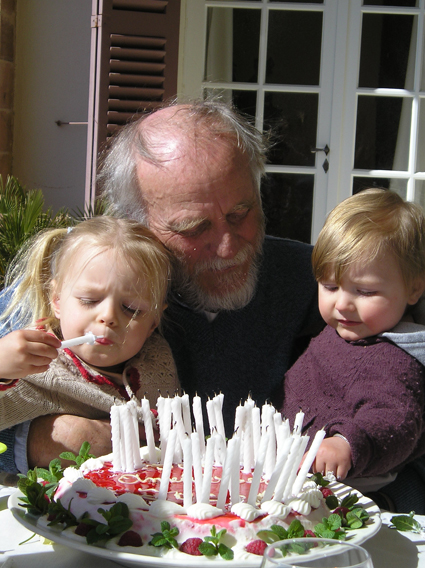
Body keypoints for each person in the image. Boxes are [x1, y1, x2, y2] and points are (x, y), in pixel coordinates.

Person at [0, 99, 323, 474]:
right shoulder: (84, 278)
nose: (228, 246)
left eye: (240, 213)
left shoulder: (314, 279)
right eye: (193, 227)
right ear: (137, 223)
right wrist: (37, 443)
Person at [281, 188, 425, 512]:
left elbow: (395, 420)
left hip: (353, 493)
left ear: (414, 287)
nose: (342, 303)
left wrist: (347, 443)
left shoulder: (393, 359)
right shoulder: (346, 333)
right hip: (297, 469)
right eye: (330, 286)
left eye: (365, 291)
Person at [0, 216, 179, 468]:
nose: (108, 317)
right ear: (57, 300)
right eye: (89, 300)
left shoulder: (157, 358)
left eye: (131, 309)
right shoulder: (40, 364)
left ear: (153, 322)